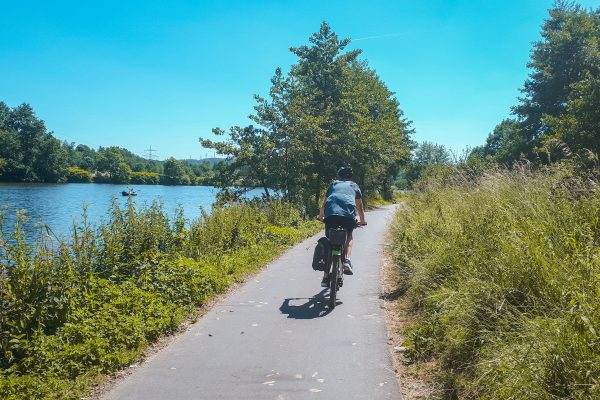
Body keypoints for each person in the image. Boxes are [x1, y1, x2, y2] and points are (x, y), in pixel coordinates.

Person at [318, 166, 366, 287]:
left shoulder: (333, 184)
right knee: (349, 236)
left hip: (331, 216)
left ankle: (325, 277)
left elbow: (324, 203)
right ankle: (347, 261)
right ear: (350, 176)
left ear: (338, 176)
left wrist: (321, 216)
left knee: (329, 242)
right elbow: (359, 206)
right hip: (348, 217)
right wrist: (362, 220)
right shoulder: (354, 186)